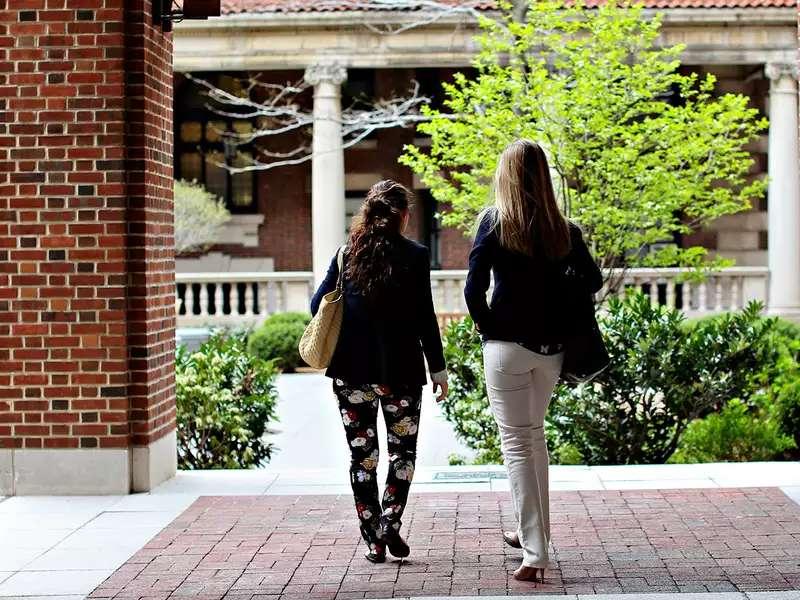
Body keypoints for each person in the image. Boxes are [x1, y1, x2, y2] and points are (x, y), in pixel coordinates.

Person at [464, 140, 602, 582]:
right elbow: (594, 280)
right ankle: (532, 532)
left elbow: (473, 289)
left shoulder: (495, 221)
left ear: (505, 175)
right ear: (543, 176)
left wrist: (488, 329)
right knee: (533, 439)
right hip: (552, 352)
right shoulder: (565, 229)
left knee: (517, 444)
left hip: (506, 347)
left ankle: (535, 549)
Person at [311, 179, 449, 564]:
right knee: (402, 454)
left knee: (363, 459)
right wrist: (438, 369)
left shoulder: (345, 255)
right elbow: (426, 318)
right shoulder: (416, 256)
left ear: (367, 215)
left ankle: (373, 538)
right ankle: (390, 521)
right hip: (401, 375)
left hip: (351, 374)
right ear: (404, 216)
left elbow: (317, 306)